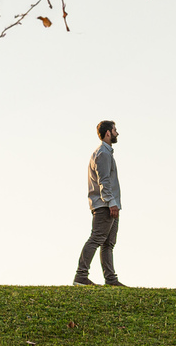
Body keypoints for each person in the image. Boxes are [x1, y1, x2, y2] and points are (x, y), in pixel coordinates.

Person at [74, 120, 126, 287]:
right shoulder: (102, 154)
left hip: (111, 204)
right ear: (108, 133)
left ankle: (111, 280)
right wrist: (111, 203)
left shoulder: (106, 153)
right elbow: (104, 181)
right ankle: (81, 276)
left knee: (108, 243)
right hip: (104, 205)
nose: (117, 133)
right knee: (97, 239)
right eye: (115, 130)